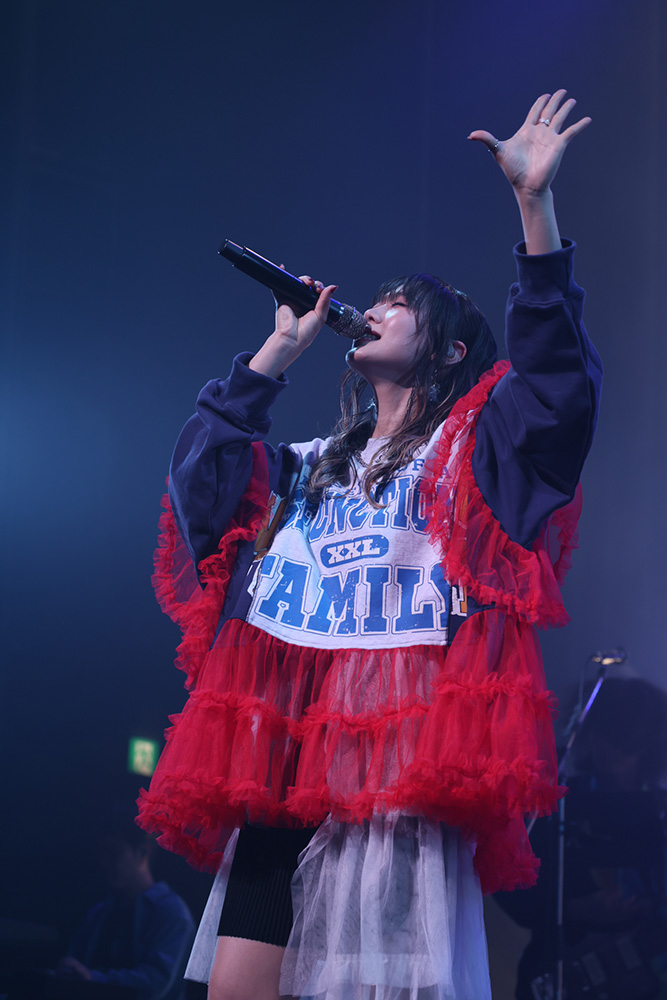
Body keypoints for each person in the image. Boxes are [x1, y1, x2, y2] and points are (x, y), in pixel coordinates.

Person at [137, 90, 602, 1000]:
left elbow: (559, 389)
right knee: (236, 987)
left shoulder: (473, 453)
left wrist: (533, 206)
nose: (373, 310)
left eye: (398, 305)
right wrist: (273, 357)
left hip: (396, 764)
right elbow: (198, 491)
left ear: (449, 351)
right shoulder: (305, 467)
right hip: (282, 761)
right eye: (378, 300)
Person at [497, 676, 667, 999]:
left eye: (623, 741)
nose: (610, 750)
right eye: (604, 734)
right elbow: (511, 889)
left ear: (644, 743)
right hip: (561, 973)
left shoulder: (659, 811)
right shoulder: (558, 802)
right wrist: (574, 909)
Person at [56, 816, 195, 1000]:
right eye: (101, 853)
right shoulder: (100, 913)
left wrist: (93, 978)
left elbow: (155, 983)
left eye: (114, 853)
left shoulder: (172, 913)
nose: (104, 862)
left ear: (142, 852)